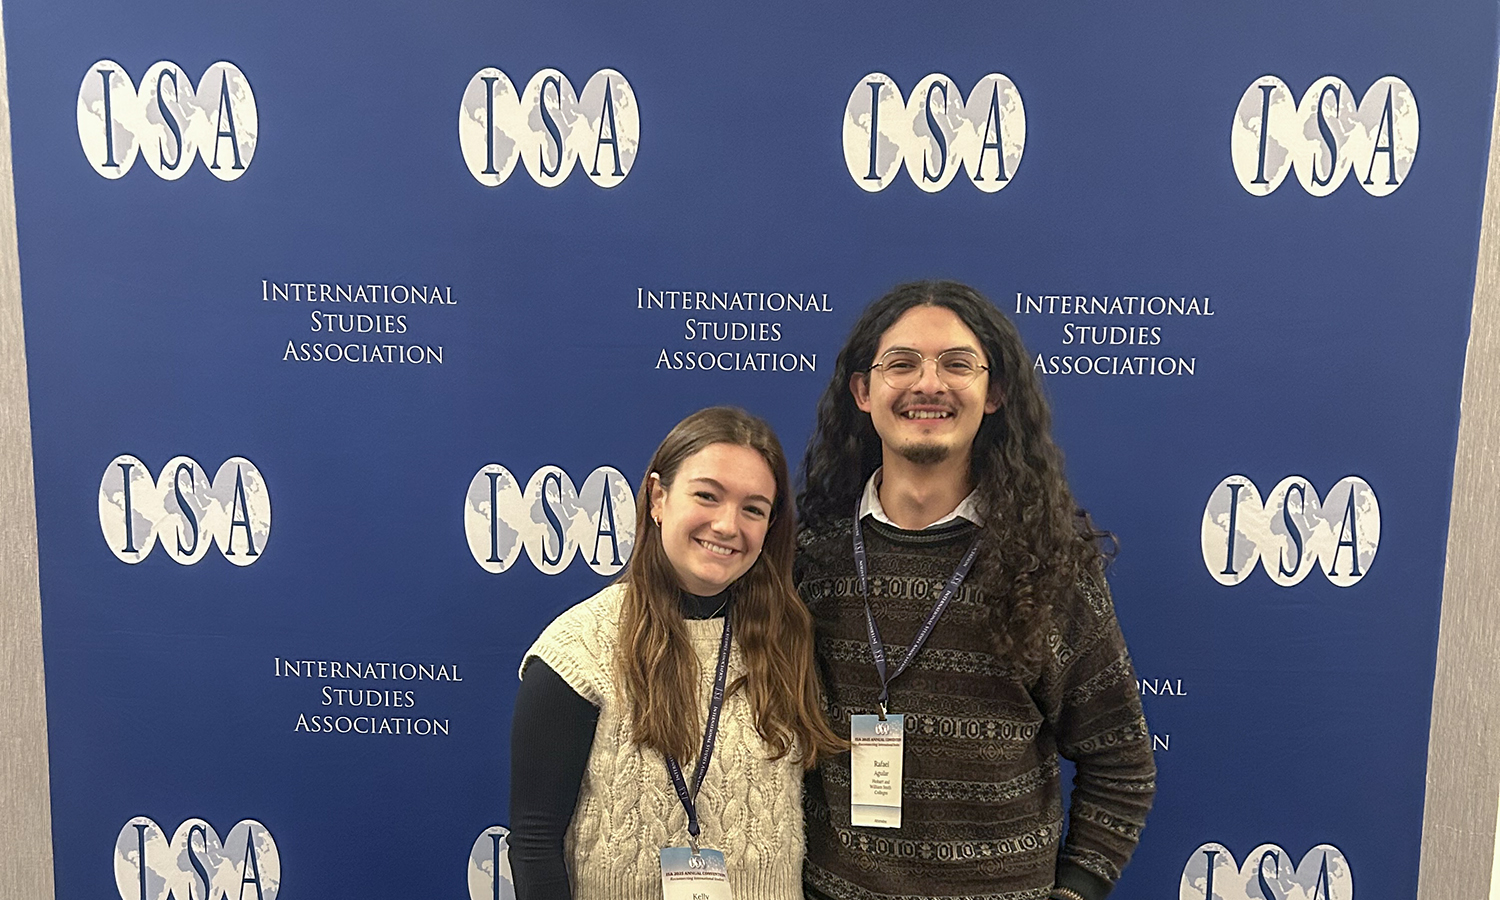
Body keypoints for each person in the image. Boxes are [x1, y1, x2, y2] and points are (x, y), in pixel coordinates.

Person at [796, 281, 1156, 900]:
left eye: (957, 364)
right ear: (863, 391)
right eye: (901, 363)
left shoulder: (1050, 564)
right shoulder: (811, 559)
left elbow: (1120, 766)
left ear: (994, 394)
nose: (928, 384)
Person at [509, 406, 844, 900]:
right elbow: (534, 845)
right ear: (658, 498)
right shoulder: (577, 651)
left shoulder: (788, 638)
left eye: (754, 508)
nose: (728, 525)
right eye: (707, 496)